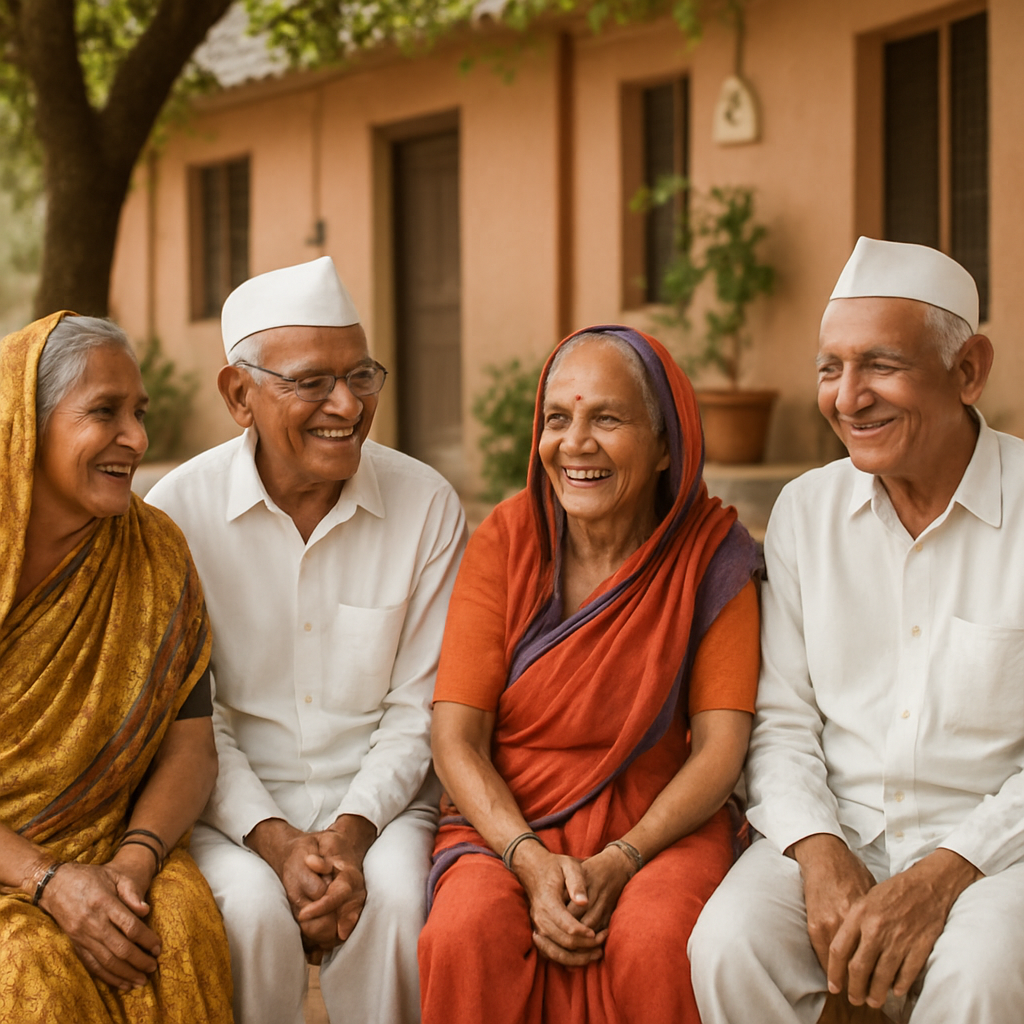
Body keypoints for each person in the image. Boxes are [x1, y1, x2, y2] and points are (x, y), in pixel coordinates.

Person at [690, 237, 1024, 1024]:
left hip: (998, 852)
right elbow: (781, 718)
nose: (848, 397)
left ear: (969, 370)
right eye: (829, 369)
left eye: (880, 365)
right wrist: (816, 848)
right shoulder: (807, 512)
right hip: (840, 830)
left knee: (980, 977)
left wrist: (948, 870)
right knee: (729, 945)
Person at [146, 256, 466, 1024]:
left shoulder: (426, 504)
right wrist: (278, 840)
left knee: (394, 905)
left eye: (361, 376)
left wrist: (349, 834)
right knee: (250, 915)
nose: (347, 405)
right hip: (229, 811)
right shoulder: (174, 515)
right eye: (311, 382)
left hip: (382, 808)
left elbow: (419, 706)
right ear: (238, 395)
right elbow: (194, 718)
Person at [418, 325, 761, 1024]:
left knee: (657, 939)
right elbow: (455, 737)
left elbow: (721, 752)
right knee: (466, 931)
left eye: (606, 418)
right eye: (557, 418)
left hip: (660, 823)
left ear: (668, 444)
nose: (575, 443)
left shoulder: (711, 555)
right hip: (508, 821)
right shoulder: (507, 538)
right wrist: (527, 860)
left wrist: (622, 859)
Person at [0, 313, 233, 1024]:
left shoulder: (155, 549)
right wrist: (48, 882)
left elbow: (191, 749)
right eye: (104, 412)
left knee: (182, 931)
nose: (136, 439)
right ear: (27, 427)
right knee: (28, 973)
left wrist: (133, 862)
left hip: (116, 846)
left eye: (139, 413)